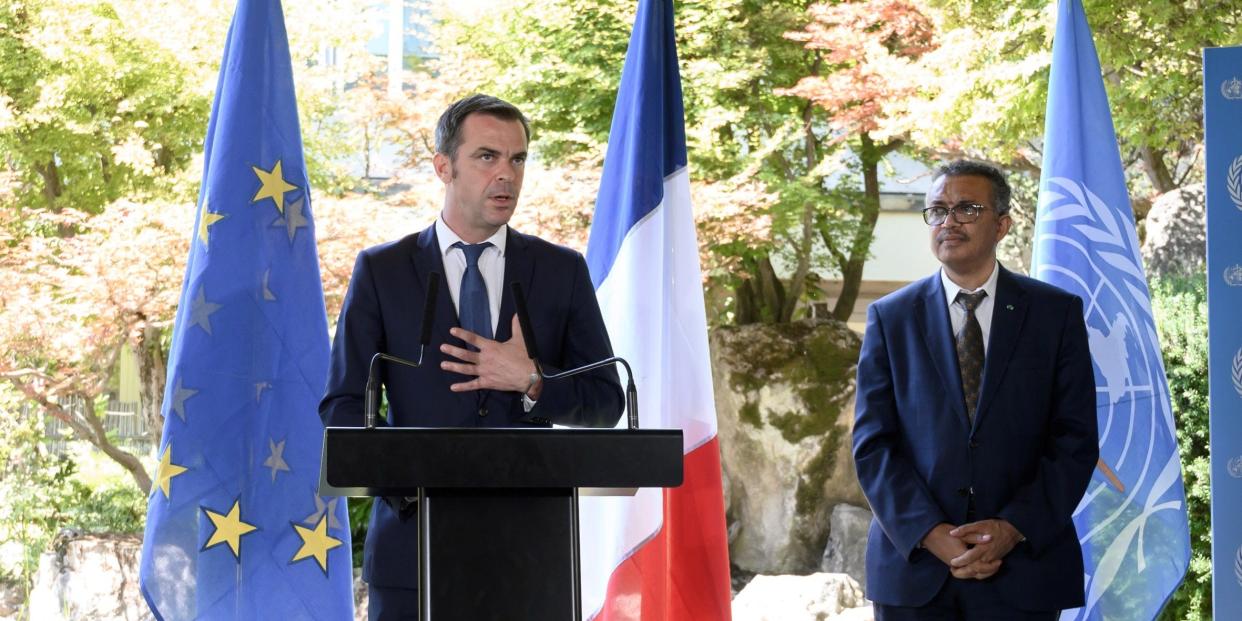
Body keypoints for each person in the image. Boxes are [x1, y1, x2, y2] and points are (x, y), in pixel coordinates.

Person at [319, 94, 624, 620]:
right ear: (444, 167)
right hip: (412, 557)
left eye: (518, 159)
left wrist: (532, 380)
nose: (506, 174)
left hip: (531, 558)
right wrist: (415, 480)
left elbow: (605, 402)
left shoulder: (560, 271)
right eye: (487, 157)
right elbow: (344, 408)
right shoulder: (383, 271)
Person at [852, 160, 1099, 620]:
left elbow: (1075, 440)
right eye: (937, 210)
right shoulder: (891, 318)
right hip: (916, 571)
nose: (949, 221)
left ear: (1002, 224)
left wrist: (1012, 528)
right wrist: (930, 532)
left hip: (1023, 570)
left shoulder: (1055, 314)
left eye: (967, 208)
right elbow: (872, 447)